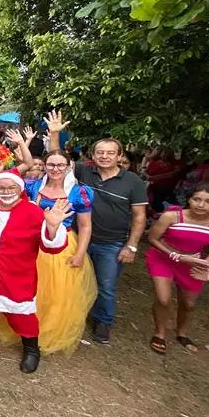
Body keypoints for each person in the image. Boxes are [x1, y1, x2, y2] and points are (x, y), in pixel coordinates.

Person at [47, 110, 148, 345]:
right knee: (72, 281)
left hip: (111, 243)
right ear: (93, 154)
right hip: (77, 236)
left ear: (119, 155)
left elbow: (140, 217)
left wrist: (131, 247)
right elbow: (56, 159)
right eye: (100, 152)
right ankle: (74, 317)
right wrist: (54, 134)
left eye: (110, 153)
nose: (104, 157)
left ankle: (103, 322)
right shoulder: (83, 171)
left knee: (106, 286)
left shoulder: (133, 182)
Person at [0, 171, 72, 373]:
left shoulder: (34, 212)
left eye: (11, 188)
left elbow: (51, 247)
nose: (6, 192)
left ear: (20, 189)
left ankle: (31, 350)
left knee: (22, 315)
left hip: (17, 277)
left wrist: (53, 227)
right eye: (2, 188)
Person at [0, 150, 98, 355]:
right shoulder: (32, 187)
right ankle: (22, 328)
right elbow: (6, 198)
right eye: (51, 165)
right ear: (45, 166)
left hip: (63, 246)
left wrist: (80, 254)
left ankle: (44, 333)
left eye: (60, 165)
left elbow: (85, 226)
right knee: (28, 288)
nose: (55, 169)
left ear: (69, 166)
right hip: (31, 243)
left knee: (56, 293)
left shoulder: (78, 192)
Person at [145, 183, 209, 354]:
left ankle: (181, 332)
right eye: (196, 199)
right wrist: (175, 255)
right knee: (163, 298)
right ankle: (159, 333)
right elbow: (153, 238)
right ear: (189, 199)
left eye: (208, 201)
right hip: (163, 258)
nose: (201, 205)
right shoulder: (172, 216)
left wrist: (207, 264)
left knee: (189, 304)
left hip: (193, 263)